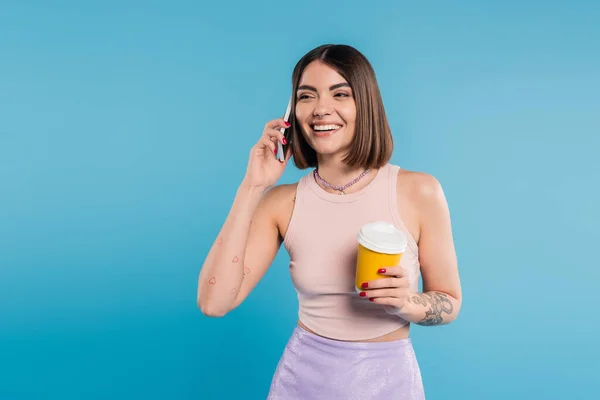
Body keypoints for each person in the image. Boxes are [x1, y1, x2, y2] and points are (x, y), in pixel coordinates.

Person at [197, 44, 462, 399]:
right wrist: (253, 185)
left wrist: (407, 303)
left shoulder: (419, 192)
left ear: (365, 104)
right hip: (301, 382)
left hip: (389, 383)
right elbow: (214, 303)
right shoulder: (281, 203)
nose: (321, 109)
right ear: (292, 113)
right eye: (307, 96)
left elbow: (449, 301)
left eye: (340, 94)